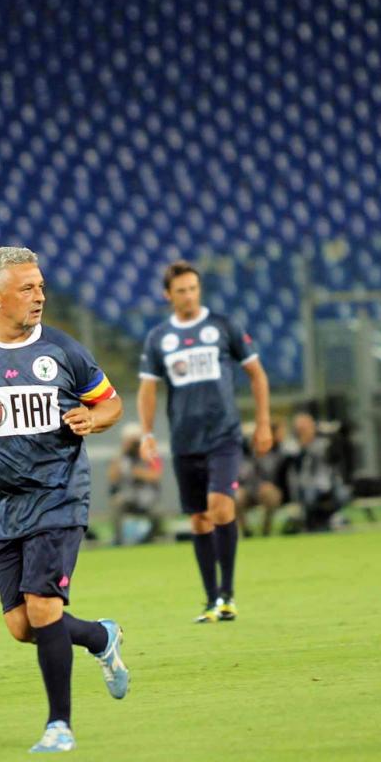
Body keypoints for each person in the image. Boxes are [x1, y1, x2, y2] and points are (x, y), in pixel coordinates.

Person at [0, 245, 130, 754]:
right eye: (27, 288)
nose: (40, 296)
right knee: (22, 626)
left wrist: (93, 419)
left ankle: (59, 726)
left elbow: (110, 403)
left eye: (41, 286)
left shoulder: (63, 350)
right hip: (2, 503)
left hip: (59, 495)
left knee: (43, 608)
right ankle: (100, 637)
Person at [136, 259, 272, 623]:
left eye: (193, 288)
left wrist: (263, 424)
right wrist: (147, 434)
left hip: (224, 436)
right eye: (181, 290)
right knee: (198, 520)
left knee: (221, 507)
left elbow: (257, 375)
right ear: (168, 295)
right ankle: (211, 600)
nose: (189, 296)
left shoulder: (223, 326)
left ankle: (228, 595)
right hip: (185, 441)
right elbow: (148, 389)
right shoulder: (159, 338)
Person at [282, 411, 348, 532]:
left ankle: (334, 518)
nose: (305, 431)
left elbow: (336, 458)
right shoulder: (292, 445)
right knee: (309, 494)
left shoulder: (324, 442)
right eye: (301, 428)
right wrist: (303, 445)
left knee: (342, 493)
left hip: (327, 481)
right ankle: (309, 521)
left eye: (307, 427)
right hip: (303, 483)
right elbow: (290, 466)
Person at [107, 424, 163, 545]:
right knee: (117, 504)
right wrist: (121, 453)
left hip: (147, 498)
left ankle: (149, 539)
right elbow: (112, 477)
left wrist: (140, 473)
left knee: (158, 512)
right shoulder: (121, 458)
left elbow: (156, 475)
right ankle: (119, 540)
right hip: (128, 497)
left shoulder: (151, 455)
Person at [236, 420, 287, 536]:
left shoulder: (281, 453)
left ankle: (266, 531)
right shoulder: (247, 455)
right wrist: (236, 487)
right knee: (236, 495)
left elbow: (282, 478)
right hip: (249, 490)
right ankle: (246, 531)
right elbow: (237, 479)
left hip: (270, 490)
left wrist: (269, 485)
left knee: (270, 494)